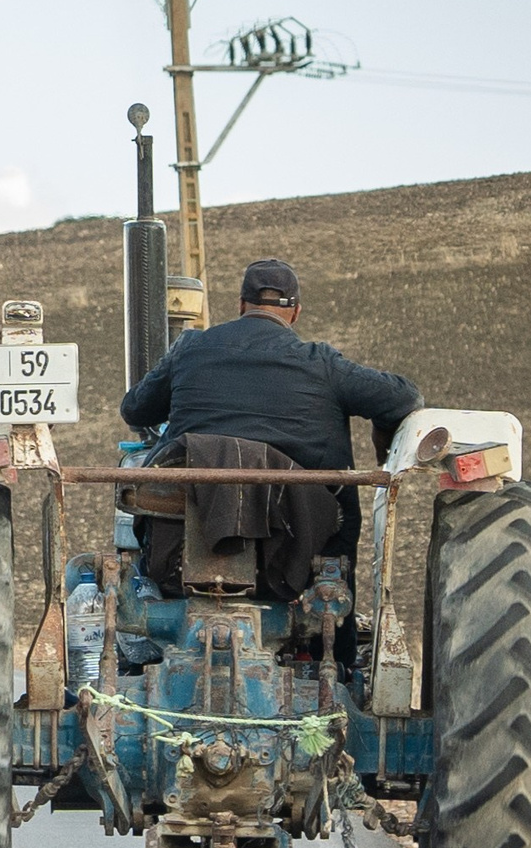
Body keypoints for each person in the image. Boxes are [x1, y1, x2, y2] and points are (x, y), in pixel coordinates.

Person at [117, 258, 420, 613]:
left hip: (185, 530)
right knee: (339, 517)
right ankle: (337, 650)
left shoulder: (190, 349)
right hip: (296, 535)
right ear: (296, 313)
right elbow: (405, 398)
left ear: (242, 304)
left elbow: (135, 410)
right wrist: (380, 436)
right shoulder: (319, 362)